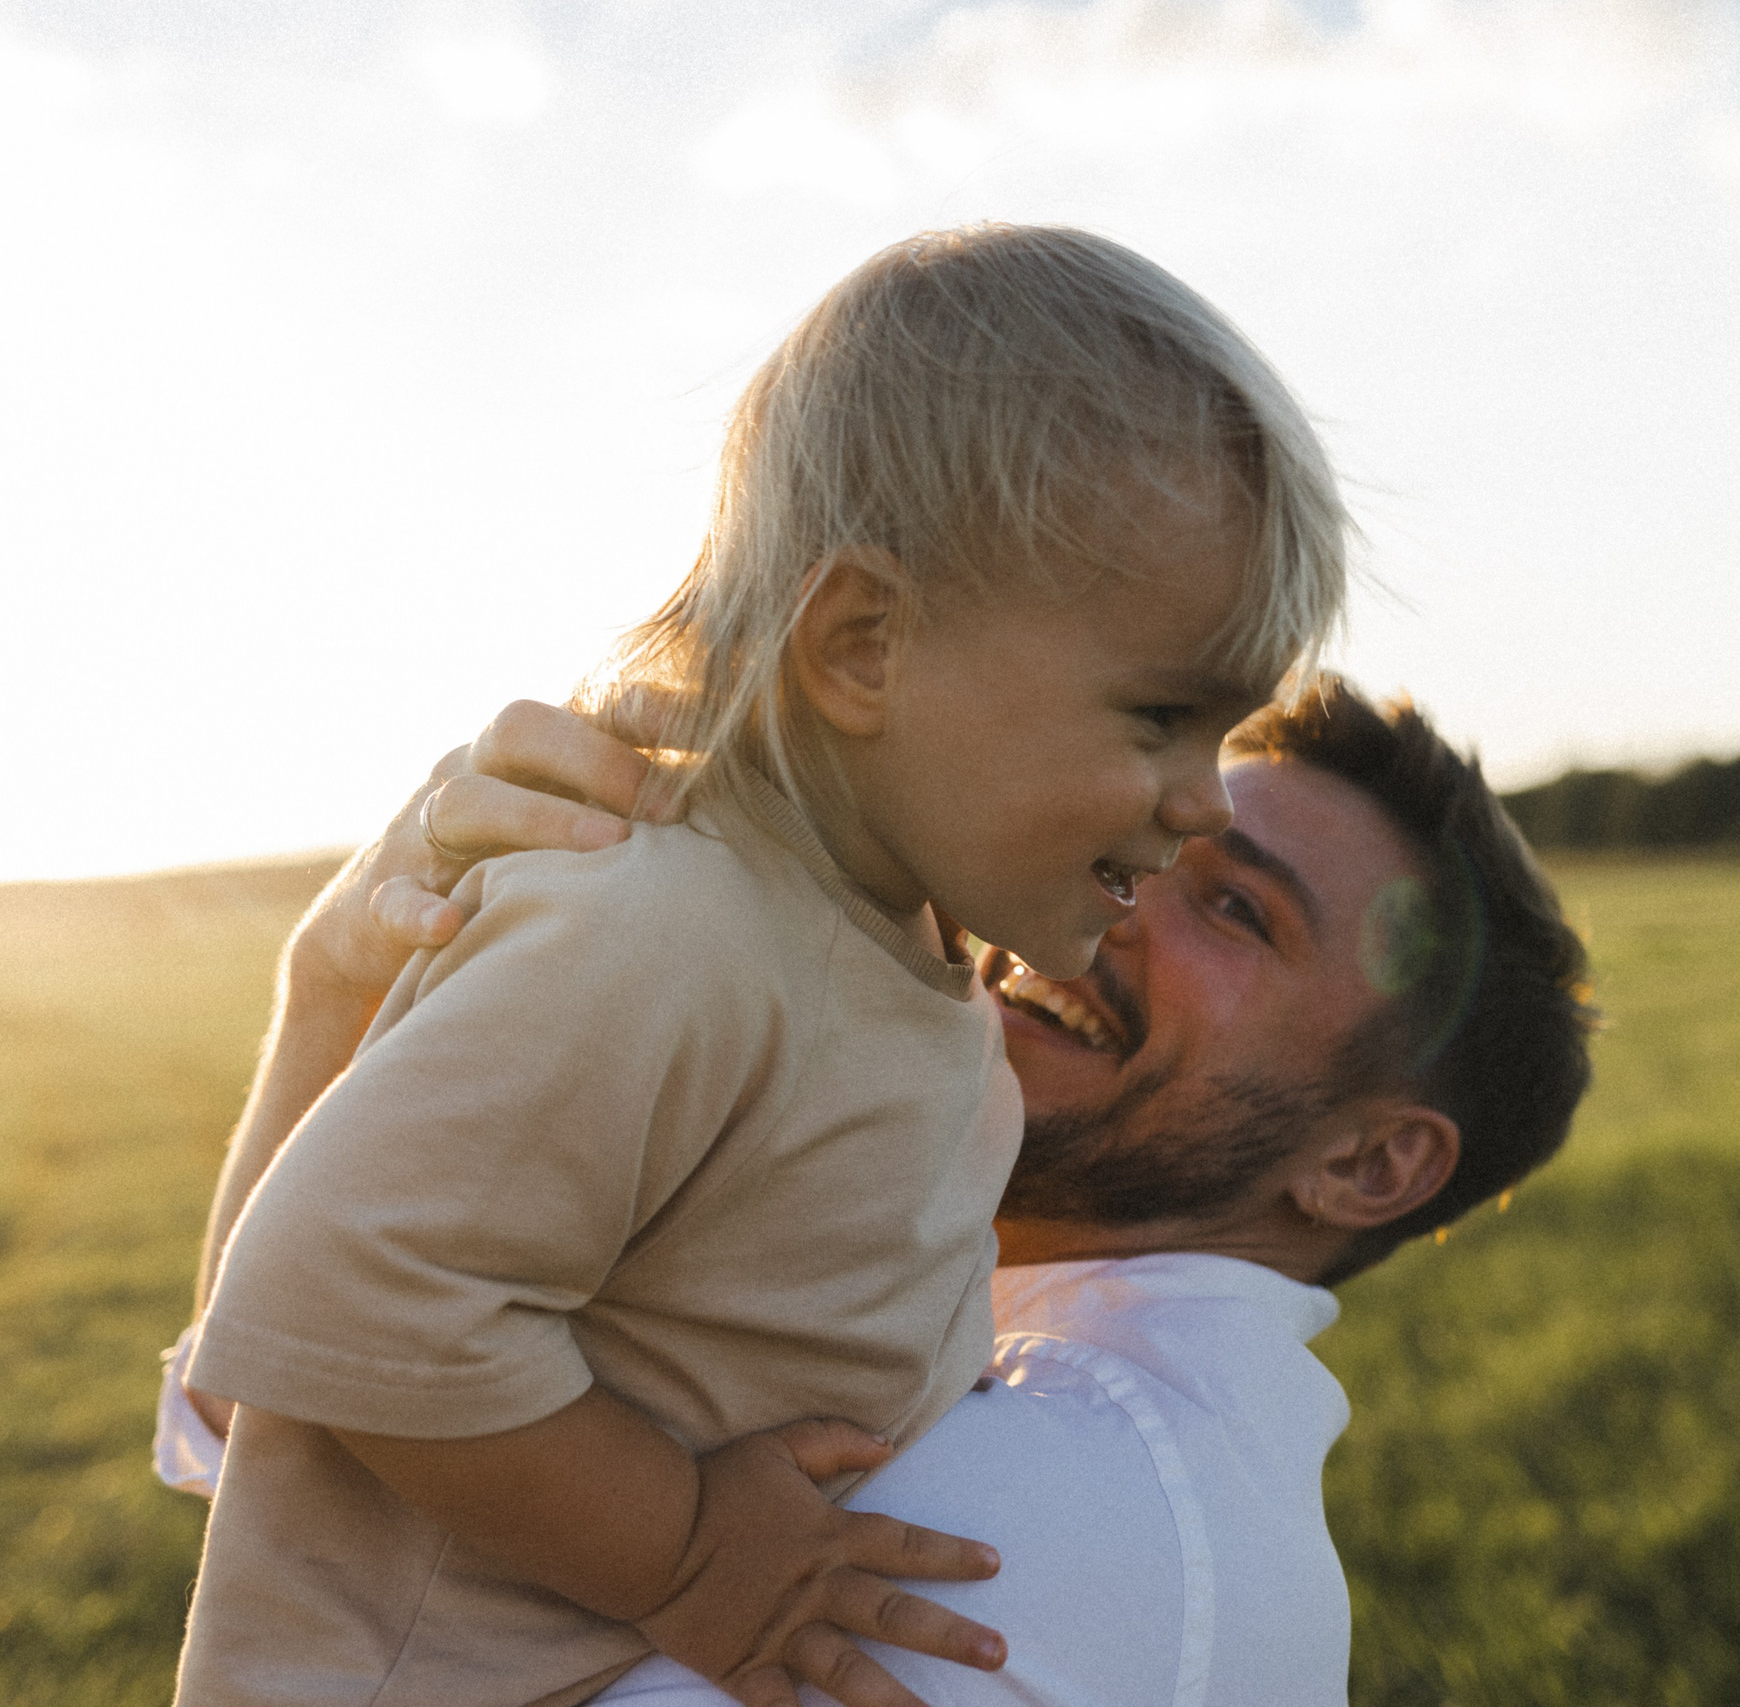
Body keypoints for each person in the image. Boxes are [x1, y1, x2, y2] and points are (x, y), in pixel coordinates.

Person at [172, 225, 1351, 1707]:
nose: (1205, 801)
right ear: (863, 645)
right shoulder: (664, 924)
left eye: (1226, 737)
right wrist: (680, 1554)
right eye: (1162, 718)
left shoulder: (904, 962)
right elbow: (341, 1286)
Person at [161, 679, 1596, 1705]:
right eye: (1150, 831)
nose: (1119, 881)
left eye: (1234, 905)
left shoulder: (1035, 1502)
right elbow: (290, 1422)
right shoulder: (894, 1295)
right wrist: (339, 992)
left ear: (1366, 1165)